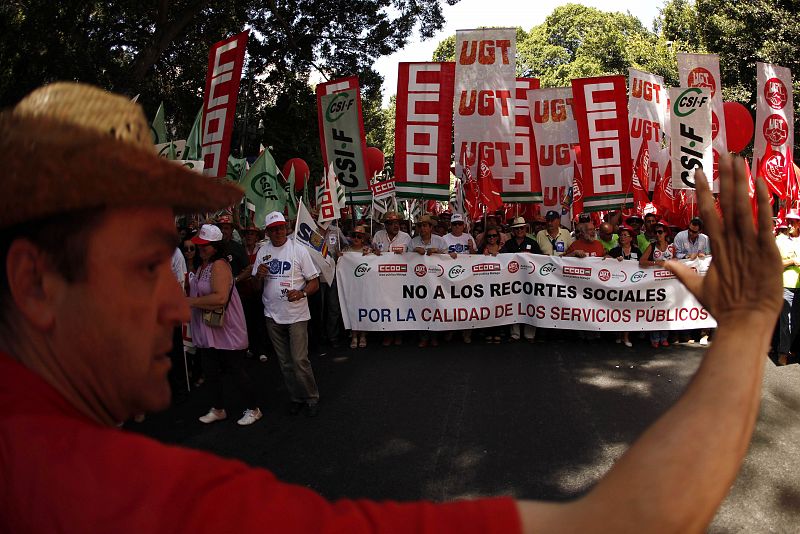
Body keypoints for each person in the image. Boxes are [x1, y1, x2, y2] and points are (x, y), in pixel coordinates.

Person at [0, 83, 785, 534]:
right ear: (33, 283)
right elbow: (623, 522)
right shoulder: (119, 500)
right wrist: (748, 324)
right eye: (148, 266)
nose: (183, 302)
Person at [188, 224, 262, 426]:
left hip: (224, 326)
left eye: (205, 245)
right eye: (199, 245)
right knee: (210, 369)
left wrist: (190, 302)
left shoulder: (219, 265)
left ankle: (253, 409)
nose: (201, 249)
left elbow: (220, 298)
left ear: (216, 247)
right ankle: (218, 408)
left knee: (235, 368)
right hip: (209, 326)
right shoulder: (204, 265)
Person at [253, 211, 321, 417]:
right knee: (284, 362)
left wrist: (301, 293)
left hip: (297, 314)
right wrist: (259, 277)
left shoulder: (299, 251)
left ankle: (311, 397)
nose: (278, 232)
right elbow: (256, 286)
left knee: (299, 359)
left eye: (281, 228)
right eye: (274, 229)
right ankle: (296, 397)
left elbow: (314, 283)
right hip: (272, 314)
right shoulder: (262, 252)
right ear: (268, 232)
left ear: (287, 228)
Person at [501, 217, 542, 342]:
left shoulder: (533, 243)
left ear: (526, 229)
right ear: (513, 230)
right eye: (516, 228)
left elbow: (540, 260)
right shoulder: (508, 244)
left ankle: (530, 335)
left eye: (521, 228)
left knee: (530, 304)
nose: (519, 230)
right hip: (513, 281)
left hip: (529, 279)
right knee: (514, 305)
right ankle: (515, 334)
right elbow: (501, 259)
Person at [640, 221, 677, 348]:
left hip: (669, 283)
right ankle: (654, 338)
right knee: (655, 310)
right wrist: (656, 263)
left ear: (666, 233)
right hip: (654, 283)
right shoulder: (652, 246)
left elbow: (678, 261)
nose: (657, 234)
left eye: (660, 232)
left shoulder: (672, 247)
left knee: (667, 310)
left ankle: (664, 337)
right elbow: (642, 262)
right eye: (656, 232)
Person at [606, 225, 642, 348]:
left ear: (631, 238)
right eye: (620, 235)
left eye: (625, 235)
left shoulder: (636, 251)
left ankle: (626, 336)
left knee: (628, 311)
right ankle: (617, 335)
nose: (622, 237)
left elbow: (642, 264)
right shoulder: (615, 251)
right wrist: (613, 259)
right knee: (617, 310)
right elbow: (605, 259)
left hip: (632, 286)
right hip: (617, 285)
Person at [774, 211, 800, 365]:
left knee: (796, 323)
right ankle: (783, 352)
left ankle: (790, 347)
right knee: (786, 321)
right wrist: (792, 261)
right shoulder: (780, 242)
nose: (790, 224)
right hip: (786, 286)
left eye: (794, 221)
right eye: (788, 221)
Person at [343, 224, 372, 348]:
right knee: (352, 309)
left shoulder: (368, 251)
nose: (356, 238)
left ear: (363, 238)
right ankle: (354, 336)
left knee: (364, 309)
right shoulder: (346, 251)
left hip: (364, 286)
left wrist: (373, 254)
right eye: (354, 236)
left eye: (359, 236)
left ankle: (363, 335)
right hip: (351, 286)